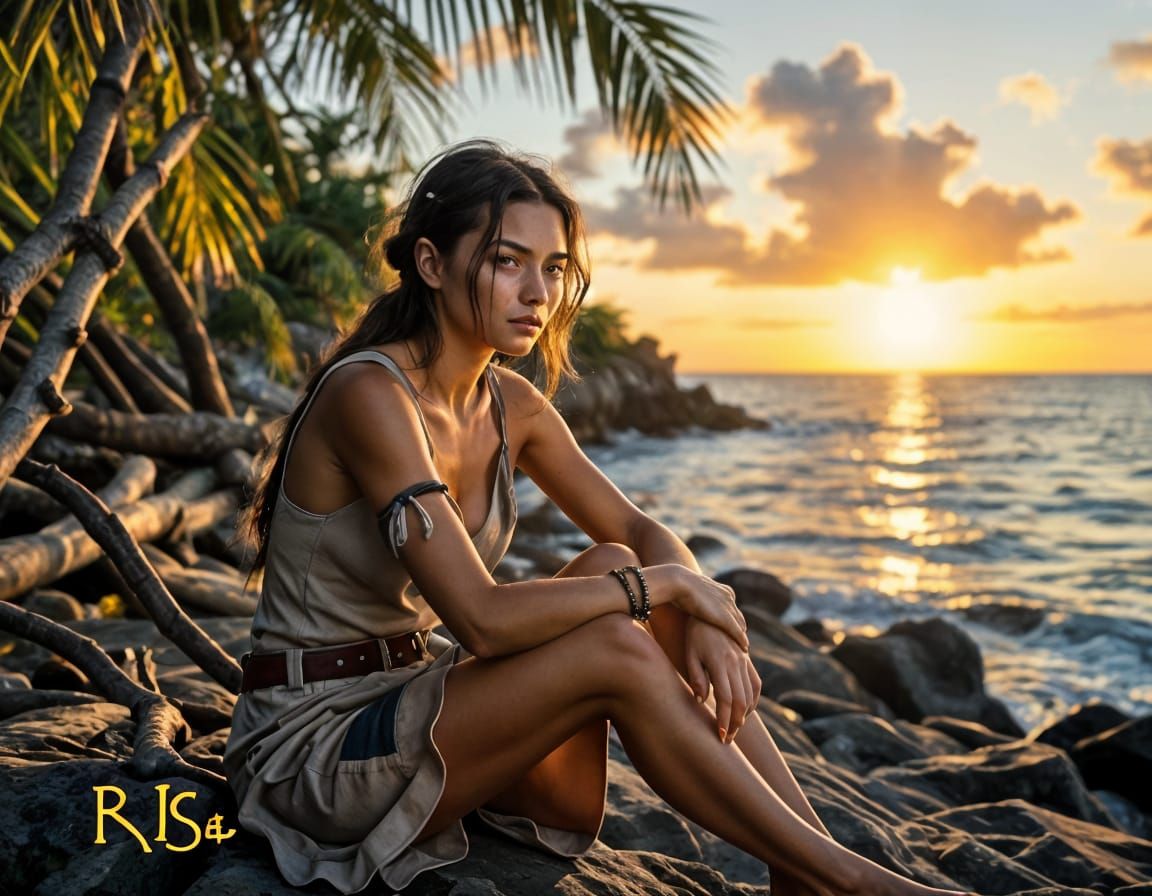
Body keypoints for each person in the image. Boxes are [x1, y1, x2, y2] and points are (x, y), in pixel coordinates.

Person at [224, 140, 973, 896]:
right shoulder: (370, 394)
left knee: (618, 561)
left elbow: (640, 532)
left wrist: (700, 605)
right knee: (626, 620)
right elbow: (481, 619)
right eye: (506, 261)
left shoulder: (511, 404)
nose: (536, 293)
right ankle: (844, 879)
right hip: (312, 747)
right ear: (430, 263)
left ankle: (798, 864)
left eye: (553, 269)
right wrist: (670, 589)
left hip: (415, 705)